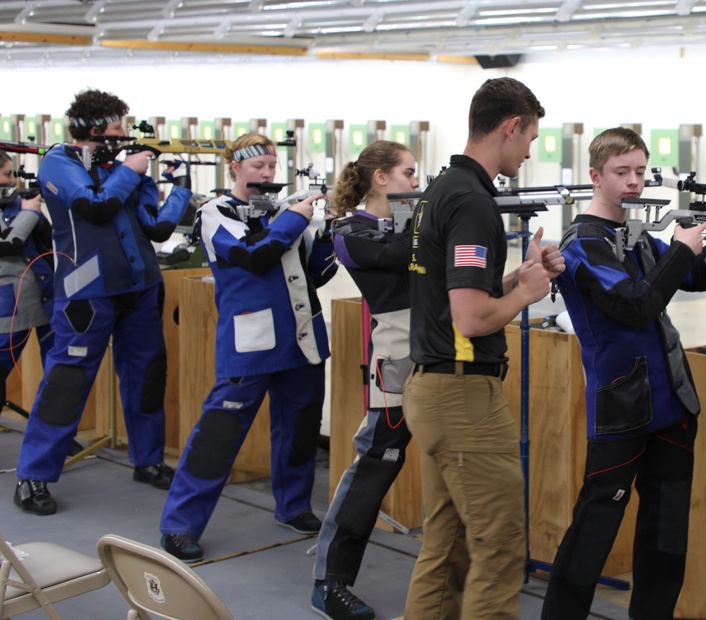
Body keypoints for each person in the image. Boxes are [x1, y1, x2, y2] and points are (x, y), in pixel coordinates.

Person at [540, 127, 706, 619]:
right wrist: (683, 247)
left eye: (640, 171)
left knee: (666, 535)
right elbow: (636, 306)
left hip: (672, 404)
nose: (633, 182)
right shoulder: (582, 243)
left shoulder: (638, 235)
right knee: (594, 529)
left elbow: (697, 276)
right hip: (622, 406)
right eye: (621, 172)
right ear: (595, 175)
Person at [403, 77, 564, 619]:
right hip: (463, 396)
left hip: (432, 388)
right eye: (531, 137)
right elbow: (470, 320)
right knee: (497, 548)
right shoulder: (473, 202)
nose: (529, 150)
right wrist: (526, 292)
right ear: (511, 126)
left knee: (447, 549)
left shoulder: (441, 190)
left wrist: (512, 278)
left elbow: (458, 294)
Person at [159, 132, 336, 563]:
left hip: (302, 339)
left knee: (299, 432)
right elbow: (254, 254)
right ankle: (179, 525)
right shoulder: (215, 212)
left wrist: (331, 228)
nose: (266, 174)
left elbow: (318, 272)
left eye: (272, 167)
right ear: (233, 166)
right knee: (218, 436)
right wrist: (296, 216)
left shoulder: (283, 212)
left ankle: (293, 506)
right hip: (251, 344)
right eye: (257, 167)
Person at [13, 89, 191, 516]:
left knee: (146, 377)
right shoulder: (59, 162)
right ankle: (33, 474)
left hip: (140, 286)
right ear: (95, 131)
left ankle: (147, 461)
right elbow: (93, 206)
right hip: (86, 293)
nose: (126, 135)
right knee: (67, 382)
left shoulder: (120, 167)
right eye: (118, 129)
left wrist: (179, 188)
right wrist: (132, 169)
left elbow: (157, 228)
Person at [310, 140, 419, 620]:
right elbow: (395, 255)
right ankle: (329, 582)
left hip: (440, 352)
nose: (416, 182)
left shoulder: (407, 222)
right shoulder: (349, 229)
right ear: (380, 178)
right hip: (396, 357)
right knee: (375, 467)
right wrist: (432, 215)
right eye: (409, 174)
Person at [0, 151, 55, 409]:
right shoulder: (22, 209)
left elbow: (46, 243)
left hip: (45, 296)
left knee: (56, 375)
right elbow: (8, 244)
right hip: (9, 305)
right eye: (7, 174)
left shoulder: (13, 203)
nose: (12, 181)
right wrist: (30, 212)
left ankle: (57, 436)